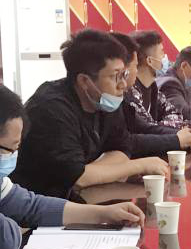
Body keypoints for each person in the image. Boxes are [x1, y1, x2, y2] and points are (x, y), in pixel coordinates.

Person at [0, 79, 143, 249]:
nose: (14, 155)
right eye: (10, 149)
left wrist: (104, 214)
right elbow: (3, 238)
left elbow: (33, 207)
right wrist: (15, 226)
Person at [13, 29, 170, 199]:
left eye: (124, 74)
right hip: (37, 204)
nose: (123, 85)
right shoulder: (51, 109)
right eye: (115, 76)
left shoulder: (106, 100)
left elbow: (121, 148)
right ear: (84, 81)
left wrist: (93, 173)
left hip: (81, 197)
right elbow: (78, 178)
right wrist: (139, 166)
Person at [112, 32, 191, 151]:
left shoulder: (153, 87)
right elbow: (143, 130)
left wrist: (181, 135)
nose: (165, 57)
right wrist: (180, 135)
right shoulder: (128, 91)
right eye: (162, 53)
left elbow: (172, 114)